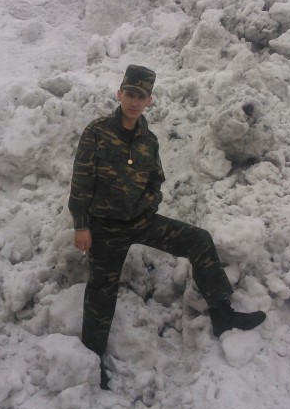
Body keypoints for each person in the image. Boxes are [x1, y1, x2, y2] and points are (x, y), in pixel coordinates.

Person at [69, 64, 266, 389]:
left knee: (199, 240)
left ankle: (222, 314)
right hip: (105, 228)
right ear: (120, 94)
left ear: (149, 100)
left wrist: (148, 205)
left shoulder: (148, 140)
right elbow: (81, 181)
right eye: (130, 94)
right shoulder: (97, 132)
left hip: (141, 222)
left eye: (141, 96)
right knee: (101, 291)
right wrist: (81, 225)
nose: (135, 101)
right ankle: (93, 358)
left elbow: (155, 180)